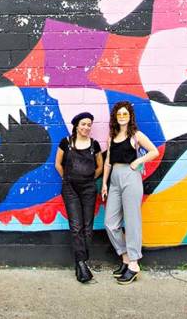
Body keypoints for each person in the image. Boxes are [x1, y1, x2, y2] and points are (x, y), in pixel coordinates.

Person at [102, 101, 158, 284]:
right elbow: (108, 162)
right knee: (110, 223)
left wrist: (138, 161)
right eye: (119, 114)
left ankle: (134, 264)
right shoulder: (112, 137)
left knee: (132, 220)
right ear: (115, 117)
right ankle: (125, 257)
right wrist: (104, 184)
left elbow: (154, 152)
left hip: (130, 176)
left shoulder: (136, 135)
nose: (122, 117)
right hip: (114, 179)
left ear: (130, 116)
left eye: (125, 114)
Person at [54, 111, 103, 283]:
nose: (86, 127)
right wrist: (67, 179)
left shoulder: (94, 145)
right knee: (76, 226)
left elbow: (100, 167)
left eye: (89, 124)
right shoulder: (66, 143)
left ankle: (81, 263)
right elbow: (58, 164)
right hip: (70, 189)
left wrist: (89, 179)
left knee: (87, 227)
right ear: (76, 125)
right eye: (83, 124)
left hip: (89, 188)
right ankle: (82, 264)